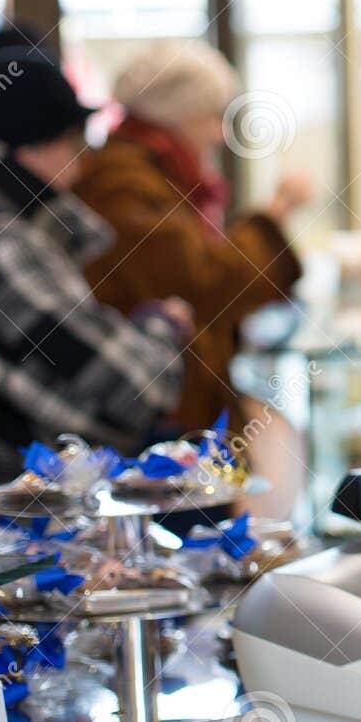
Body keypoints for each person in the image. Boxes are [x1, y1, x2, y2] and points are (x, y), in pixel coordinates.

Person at [0, 37, 190, 559]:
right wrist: (162, 327)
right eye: (72, 144)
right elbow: (138, 386)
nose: (80, 168)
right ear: (36, 148)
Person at [73, 40, 310, 434]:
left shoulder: (147, 174)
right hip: (152, 418)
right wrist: (275, 214)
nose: (219, 135)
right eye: (212, 116)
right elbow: (202, 282)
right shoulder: (124, 183)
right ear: (176, 116)